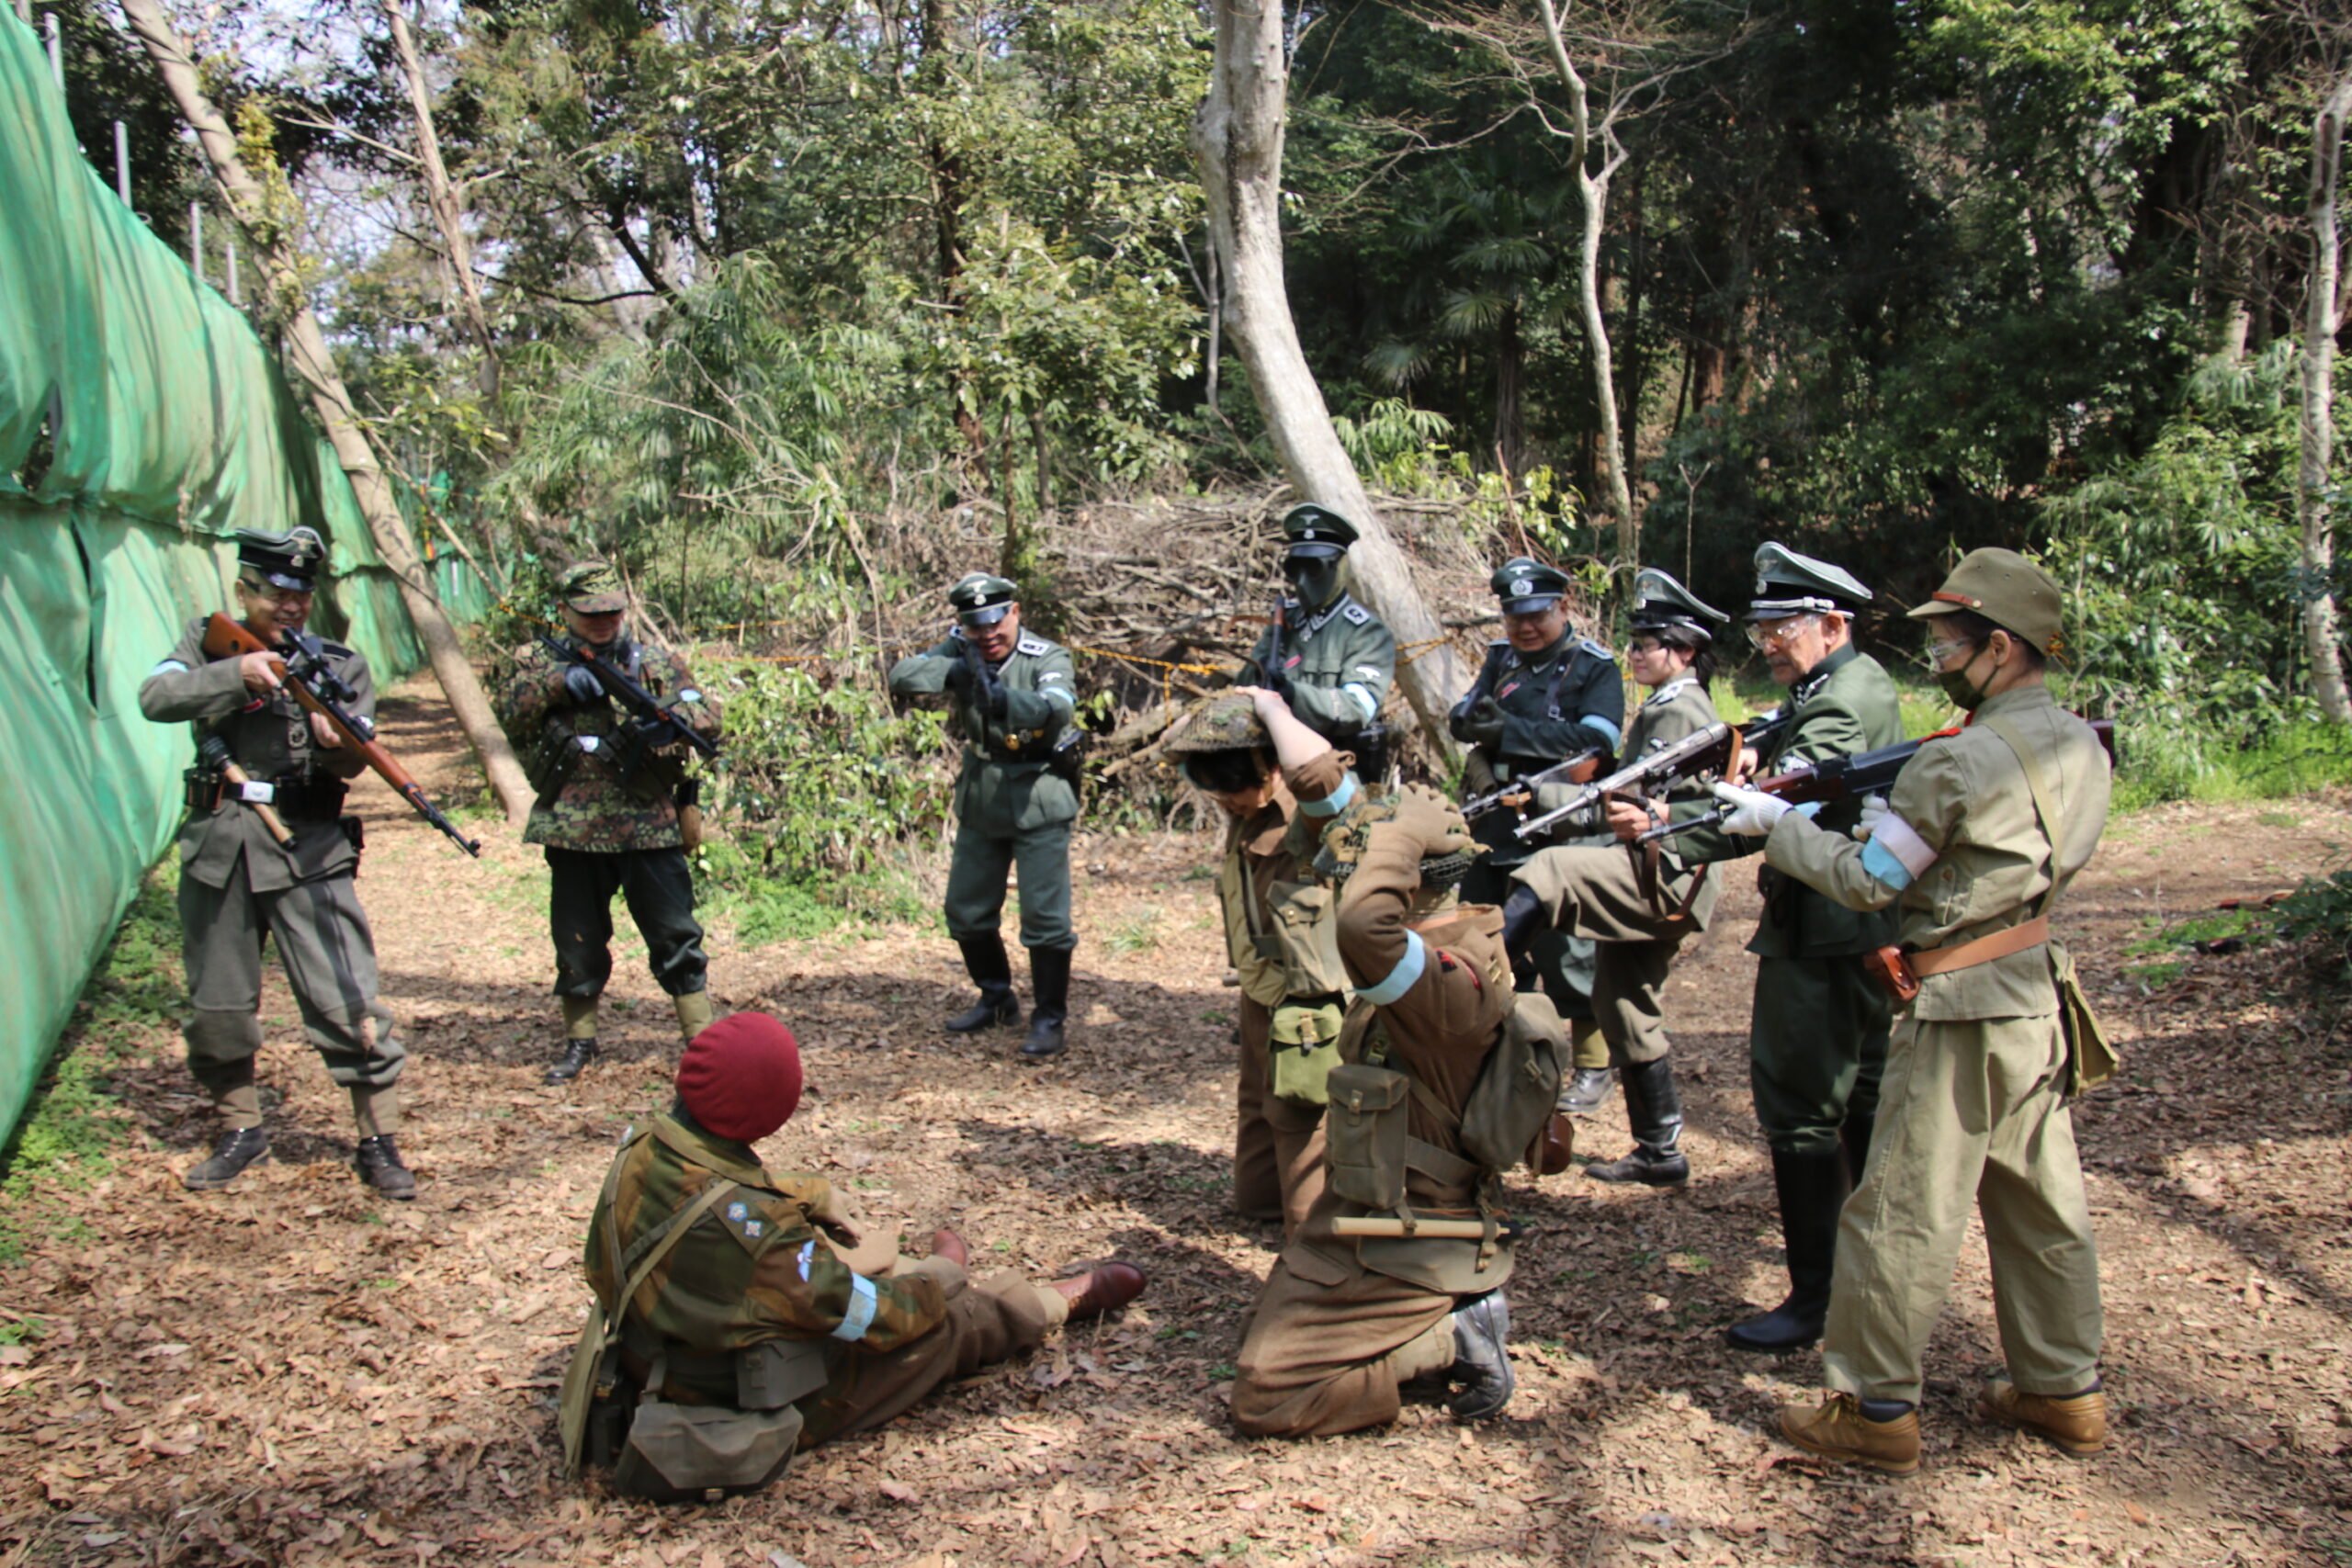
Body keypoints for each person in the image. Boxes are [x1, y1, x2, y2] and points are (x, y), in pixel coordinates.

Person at [1708, 549, 2112, 1474]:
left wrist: (1779, 827)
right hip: (2033, 993)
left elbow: (1869, 880)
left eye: (1948, 644)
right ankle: (2062, 1387)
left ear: (2000, 648)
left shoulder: (1957, 759)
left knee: (1899, 1205)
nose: (1936, 661)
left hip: (1959, 1004)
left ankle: (1874, 1405)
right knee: (2042, 1200)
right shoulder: (2080, 745)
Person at [567, 1011, 1146, 1499]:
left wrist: (811, 1195)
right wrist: (939, 1282)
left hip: (652, 1350)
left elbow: (709, 1193)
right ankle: (1044, 1303)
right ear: (770, 1113)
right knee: (950, 1324)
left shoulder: (643, 1143)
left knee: (856, 1267)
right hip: (731, 1396)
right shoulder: (763, 1237)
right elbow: (869, 1317)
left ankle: (938, 1274)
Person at [1228, 686, 1564, 1437]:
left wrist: (1400, 832)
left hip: (1413, 1233)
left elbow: (1359, 926)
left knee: (1266, 1392)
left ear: (1404, 877)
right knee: (1270, 1322)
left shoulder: (1444, 980)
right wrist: (1275, 710)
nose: (1343, 876)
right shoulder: (1450, 930)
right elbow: (1333, 800)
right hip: (1371, 1208)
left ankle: (1452, 1335)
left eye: (1366, 865)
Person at [137, 526, 413, 1198]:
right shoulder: (208, 641)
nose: (291, 606)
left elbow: (356, 759)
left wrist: (333, 743)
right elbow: (156, 697)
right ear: (245, 590)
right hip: (221, 847)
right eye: (276, 593)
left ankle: (377, 1140)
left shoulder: (339, 665)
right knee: (219, 1004)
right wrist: (235, 675)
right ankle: (241, 1128)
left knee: (347, 998)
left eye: (302, 595)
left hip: (308, 850)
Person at [1675, 544, 1902, 1352]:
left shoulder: (1839, 701)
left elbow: (1777, 808)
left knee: (1803, 1107)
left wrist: (1663, 830)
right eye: (1762, 628)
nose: (1768, 642)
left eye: (1784, 628)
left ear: (1832, 625)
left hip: (1824, 931)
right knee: (1861, 1098)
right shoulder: (1846, 685)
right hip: (1853, 925)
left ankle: (1818, 1297)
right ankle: (1869, 1279)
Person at [1500, 570, 1729, 1186]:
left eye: (1650, 645)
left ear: (1685, 652)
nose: (1635, 655)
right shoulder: (1666, 706)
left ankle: (1477, 979)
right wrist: (1548, 796)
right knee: (1622, 999)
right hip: (1659, 869)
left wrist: (1546, 798)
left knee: (1551, 870)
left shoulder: (1681, 711)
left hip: (1668, 874)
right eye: (1634, 643)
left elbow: (1640, 802)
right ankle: (1661, 1150)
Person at [496, 561, 723, 1084]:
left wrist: (670, 723)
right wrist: (559, 683)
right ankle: (580, 1041)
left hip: (648, 822)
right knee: (577, 940)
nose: (603, 622)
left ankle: (703, 1042)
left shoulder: (653, 661)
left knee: (676, 935)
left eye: (612, 612)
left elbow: (708, 714)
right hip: (573, 828)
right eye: (590, 613)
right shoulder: (537, 659)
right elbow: (508, 710)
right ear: (564, 611)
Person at [1452, 557, 1625, 1116]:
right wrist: (1470, 721)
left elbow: (1596, 743)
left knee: (1569, 948)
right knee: (1487, 940)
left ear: (1563, 608)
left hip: (1560, 823)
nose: (1525, 628)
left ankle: (1594, 1065)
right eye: (1514, 617)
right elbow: (1467, 714)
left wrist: (1510, 730)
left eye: (1536, 616)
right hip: (1494, 820)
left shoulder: (1593, 667)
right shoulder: (1501, 658)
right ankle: (1509, 1052)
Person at [1164, 694, 1341, 1238]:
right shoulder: (1247, 804)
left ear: (1270, 769)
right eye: (1218, 797)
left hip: (1308, 998)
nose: (1228, 806)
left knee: (1300, 1108)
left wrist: (1271, 711)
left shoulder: (1312, 812)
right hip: (1262, 986)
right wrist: (1224, 713)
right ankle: (1271, 1204)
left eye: (1235, 793)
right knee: (1258, 1108)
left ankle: (1313, 1237)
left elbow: (1319, 769)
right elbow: (1174, 745)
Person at [888, 573, 1080, 1059]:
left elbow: (1058, 707)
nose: (987, 635)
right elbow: (902, 675)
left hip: (1039, 794)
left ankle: (1049, 1017)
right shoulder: (960, 648)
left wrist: (1005, 701)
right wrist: (953, 673)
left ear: (1014, 612)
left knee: (1045, 918)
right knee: (966, 911)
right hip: (983, 795)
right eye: (976, 627)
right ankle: (996, 998)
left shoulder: (1046, 655)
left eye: (996, 622)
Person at [1237, 503, 1396, 776]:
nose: (1302, 581)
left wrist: (1294, 695)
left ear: (1339, 567)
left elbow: (1357, 708)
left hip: (1334, 771)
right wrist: (1260, 672)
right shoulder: (1285, 622)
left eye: (1313, 568)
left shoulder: (1365, 632)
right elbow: (1241, 687)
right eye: (1295, 569)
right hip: (1274, 767)